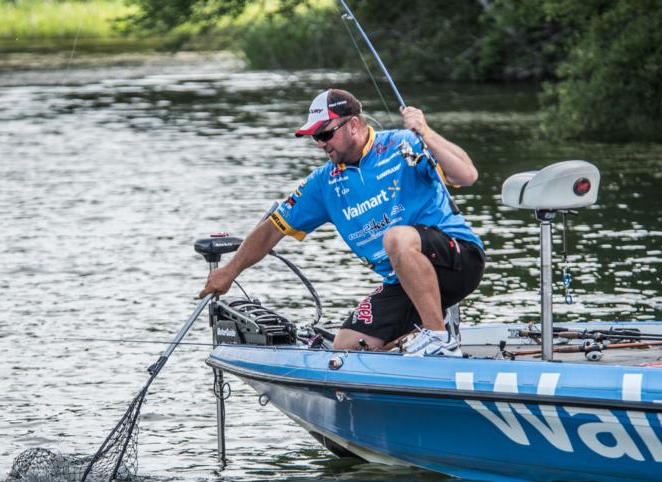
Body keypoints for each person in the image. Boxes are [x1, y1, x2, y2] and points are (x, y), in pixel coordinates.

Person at [198, 88, 485, 356]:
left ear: (354, 125)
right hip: (404, 280)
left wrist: (424, 131)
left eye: (325, 134)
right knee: (347, 345)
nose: (321, 144)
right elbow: (271, 230)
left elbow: (467, 175)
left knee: (395, 238)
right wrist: (230, 271)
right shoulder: (323, 183)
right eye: (315, 137)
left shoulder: (402, 144)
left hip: (460, 259)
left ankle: (437, 337)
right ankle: (428, 335)